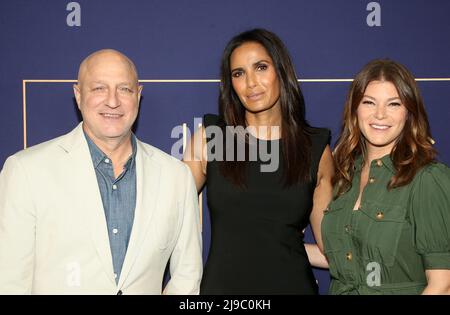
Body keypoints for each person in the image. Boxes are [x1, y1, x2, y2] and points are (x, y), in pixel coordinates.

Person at [0, 49, 202, 294]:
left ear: (138, 95)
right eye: (99, 88)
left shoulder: (176, 176)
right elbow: (9, 281)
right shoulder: (26, 171)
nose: (113, 101)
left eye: (124, 89)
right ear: (78, 93)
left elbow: (187, 276)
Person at [183, 29, 334, 294]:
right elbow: (164, 217)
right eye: (238, 73)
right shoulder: (212, 138)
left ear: (281, 71)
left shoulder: (314, 149)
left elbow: (331, 249)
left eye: (261, 67)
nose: (251, 83)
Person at [321, 59, 450, 294]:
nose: (380, 115)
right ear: (354, 110)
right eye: (369, 102)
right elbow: (349, 259)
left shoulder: (427, 180)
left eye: (393, 104)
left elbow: (443, 285)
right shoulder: (345, 177)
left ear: (408, 112)